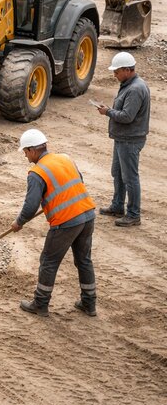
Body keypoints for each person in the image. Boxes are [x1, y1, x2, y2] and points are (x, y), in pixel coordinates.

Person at [12, 129, 97, 317]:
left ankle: (40, 304)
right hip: (87, 214)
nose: (25, 156)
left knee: (48, 262)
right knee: (84, 260)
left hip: (66, 221)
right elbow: (79, 180)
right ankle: (89, 303)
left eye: (25, 152)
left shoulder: (36, 173)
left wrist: (19, 222)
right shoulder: (65, 158)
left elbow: (31, 205)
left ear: (33, 150)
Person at [94, 51, 150, 227]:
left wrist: (108, 112)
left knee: (130, 178)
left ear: (127, 70)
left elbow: (127, 116)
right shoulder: (129, 84)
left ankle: (133, 214)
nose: (114, 75)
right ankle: (118, 206)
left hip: (130, 140)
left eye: (117, 72)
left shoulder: (135, 89)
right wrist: (110, 110)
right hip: (123, 138)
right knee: (117, 173)